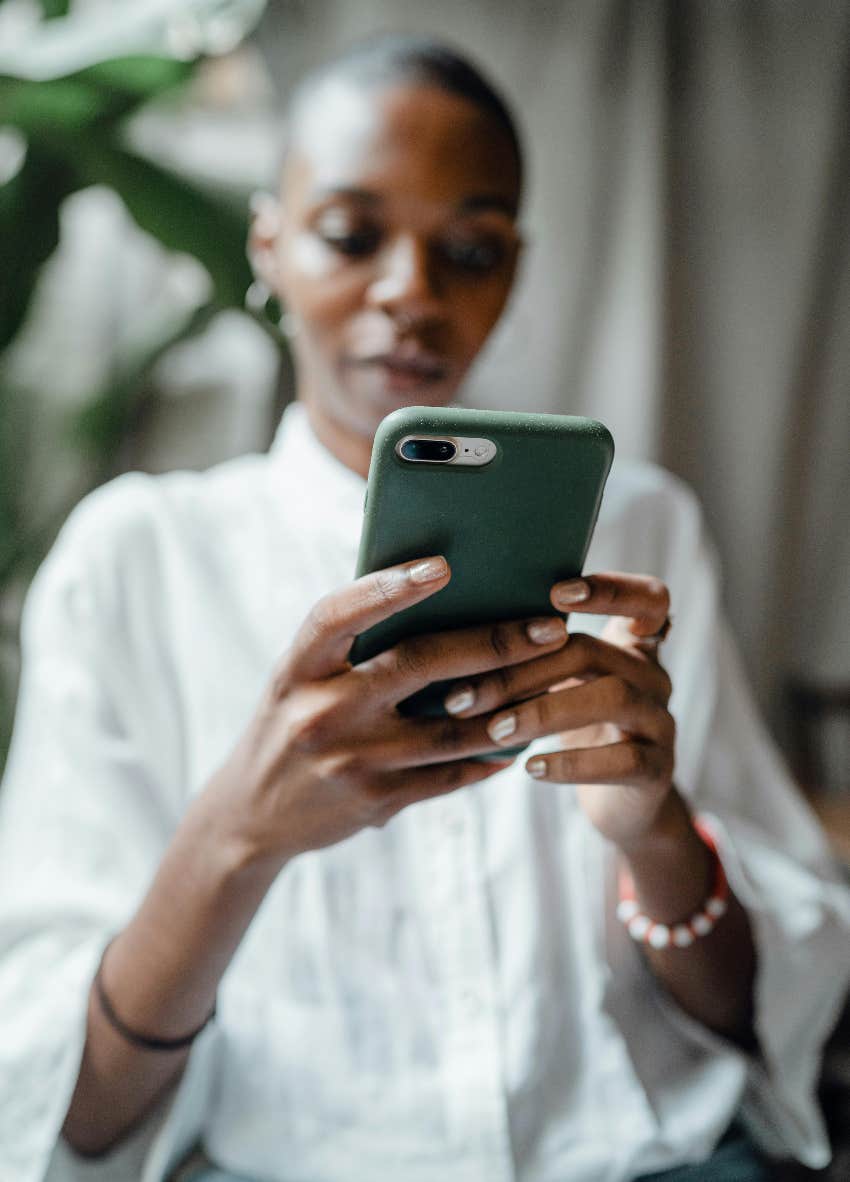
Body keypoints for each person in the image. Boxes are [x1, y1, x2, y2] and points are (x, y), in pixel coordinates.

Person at [0, 34, 848, 1182]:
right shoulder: (137, 561)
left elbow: (764, 1018)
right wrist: (236, 838)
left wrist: (657, 835)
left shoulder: (639, 531)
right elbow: (66, 1116)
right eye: (352, 235)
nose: (411, 290)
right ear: (269, 245)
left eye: (469, 247)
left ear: (513, 268)